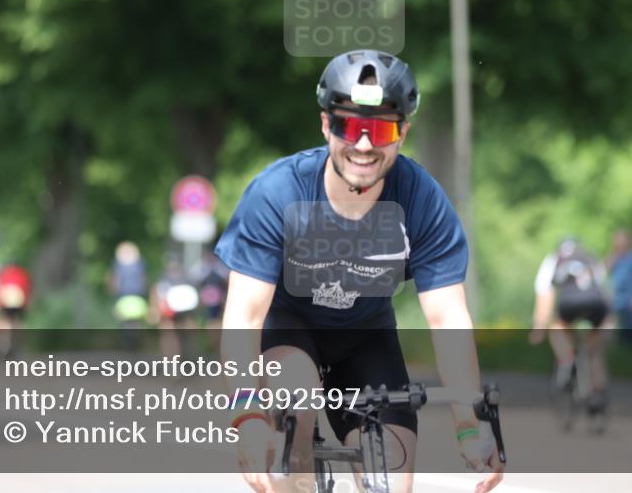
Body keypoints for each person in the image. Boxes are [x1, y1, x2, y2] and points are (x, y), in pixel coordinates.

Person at [215, 50, 503, 493]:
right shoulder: (278, 192)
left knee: (392, 476)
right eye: (349, 126)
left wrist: (469, 423)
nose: (364, 145)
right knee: (296, 401)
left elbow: (447, 317)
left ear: (403, 133)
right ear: (326, 125)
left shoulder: (422, 200)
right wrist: (248, 415)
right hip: (289, 330)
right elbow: (244, 317)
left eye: (381, 129)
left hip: (366, 340)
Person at [529, 237, 610, 410]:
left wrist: (539, 328)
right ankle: (597, 393)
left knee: (557, 328)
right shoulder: (589, 257)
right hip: (595, 305)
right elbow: (603, 289)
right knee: (594, 349)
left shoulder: (554, 259)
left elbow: (545, 296)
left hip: (569, 304)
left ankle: (567, 360)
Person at [605, 229, 632, 347]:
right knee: (609, 326)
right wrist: (613, 256)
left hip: (631, 298)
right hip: (615, 298)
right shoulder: (614, 257)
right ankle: (612, 348)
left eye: (620, 241)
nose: (618, 244)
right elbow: (604, 271)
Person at [0, 263, 32, 356]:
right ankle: (17, 344)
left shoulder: (5, 273)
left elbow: (0, 288)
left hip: (8, 300)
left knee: (6, 321)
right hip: (18, 301)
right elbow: (27, 288)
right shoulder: (22, 273)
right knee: (17, 322)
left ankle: (5, 343)